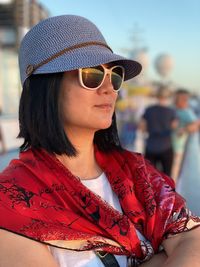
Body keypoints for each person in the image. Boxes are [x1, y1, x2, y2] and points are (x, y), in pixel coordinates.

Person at [0, 15, 200, 267]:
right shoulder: (12, 202)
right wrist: (160, 258)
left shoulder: (138, 174)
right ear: (45, 87)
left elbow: (194, 241)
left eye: (114, 75)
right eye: (91, 74)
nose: (109, 88)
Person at [139, 85, 177, 176]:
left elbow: (142, 127)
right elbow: (174, 127)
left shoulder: (149, 110)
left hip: (151, 146)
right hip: (166, 146)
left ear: (157, 96)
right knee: (167, 177)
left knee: (150, 177)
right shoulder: (171, 111)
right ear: (168, 97)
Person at [171, 89, 200, 181]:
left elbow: (196, 125)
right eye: (179, 98)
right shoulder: (171, 109)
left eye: (185, 99)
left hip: (178, 147)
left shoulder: (187, 112)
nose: (184, 101)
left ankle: (172, 191)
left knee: (173, 171)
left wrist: (184, 129)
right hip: (166, 146)